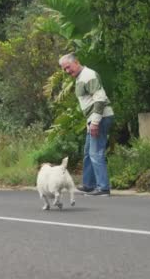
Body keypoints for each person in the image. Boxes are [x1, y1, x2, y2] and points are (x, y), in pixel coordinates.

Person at [59, 53, 114, 196]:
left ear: (76, 62)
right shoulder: (79, 78)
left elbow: (100, 99)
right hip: (93, 119)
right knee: (88, 153)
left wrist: (95, 122)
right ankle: (89, 185)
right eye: (64, 69)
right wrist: (90, 122)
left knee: (96, 153)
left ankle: (103, 188)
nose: (67, 71)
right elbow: (88, 102)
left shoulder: (88, 75)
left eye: (68, 67)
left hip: (100, 118)